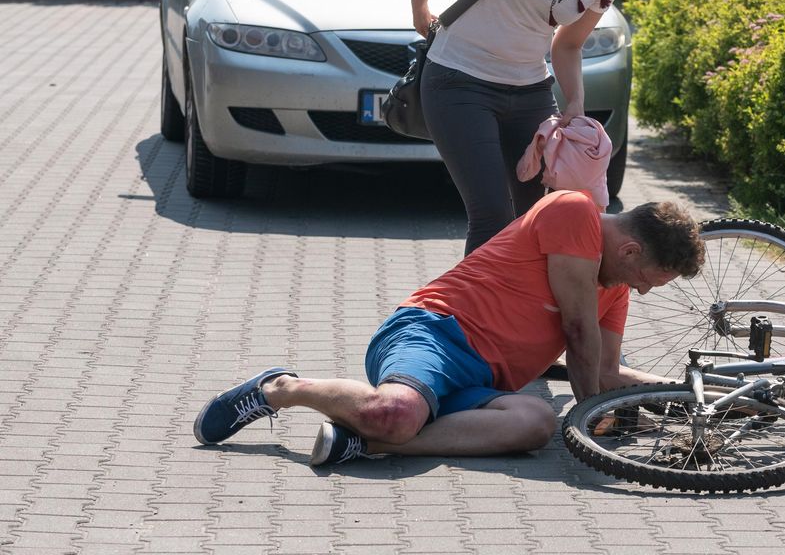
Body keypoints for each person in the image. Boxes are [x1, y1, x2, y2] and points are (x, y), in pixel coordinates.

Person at [192, 190, 704, 466]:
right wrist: (590, 422)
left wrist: (705, 396)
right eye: (645, 280)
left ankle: (361, 444)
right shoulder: (574, 212)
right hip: (433, 334)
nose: (641, 292)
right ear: (631, 250)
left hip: (482, 383)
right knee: (395, 412)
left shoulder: (614, 287)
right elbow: (577, 333)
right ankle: (279, 389)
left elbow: (607, 375)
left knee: (536, 425)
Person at [411, 0, 681, 255]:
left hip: (529, 90)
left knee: (542, 216)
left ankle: (528, 313)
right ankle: (476, 315)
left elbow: (567, 45)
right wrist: (420, 3)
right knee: (491, 217)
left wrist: (574, 102)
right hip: (459, 78)